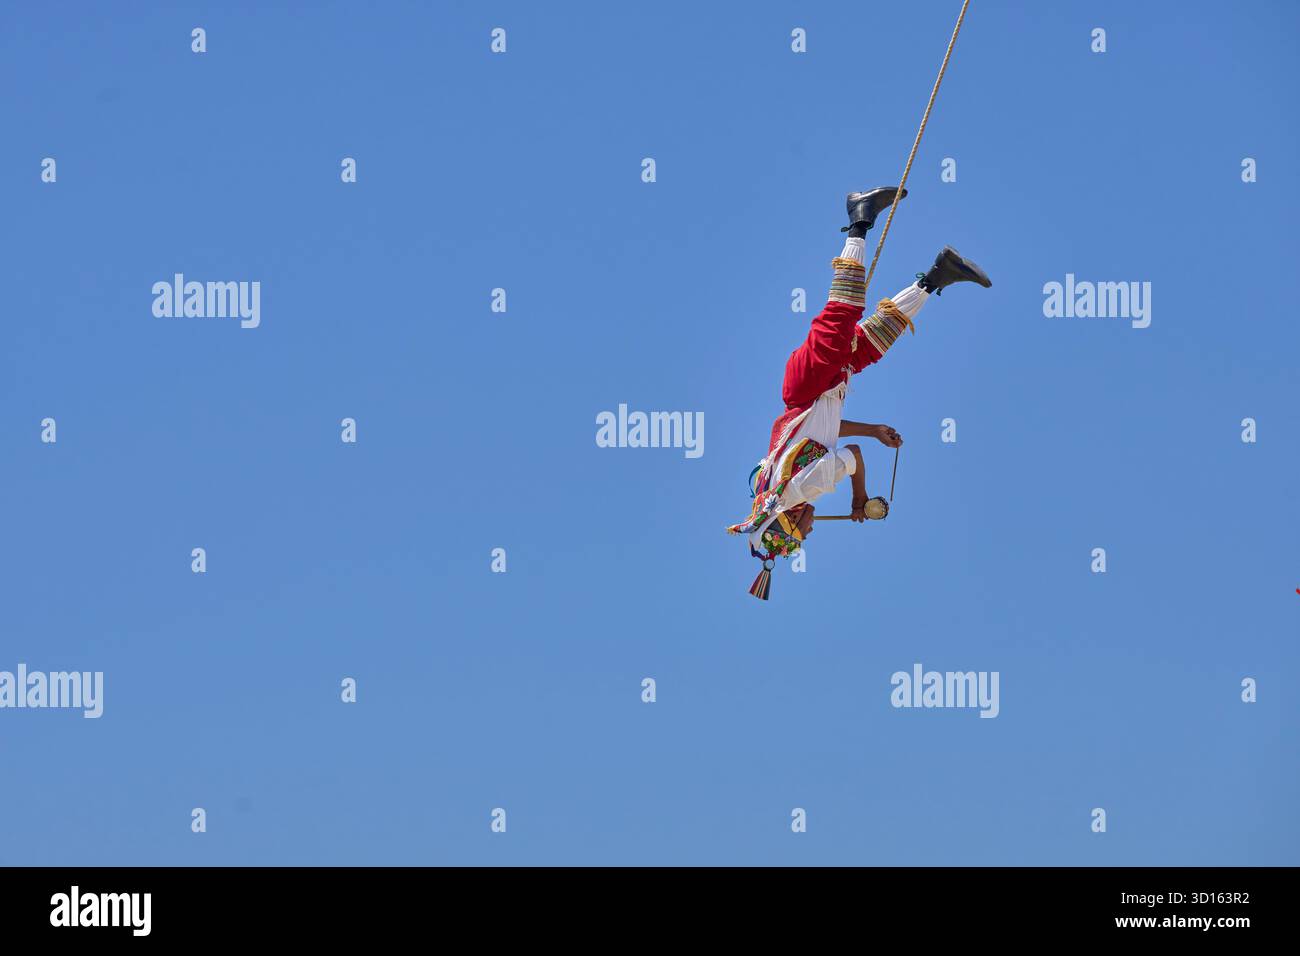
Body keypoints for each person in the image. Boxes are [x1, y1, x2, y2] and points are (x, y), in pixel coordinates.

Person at [726, 187, 992, 599]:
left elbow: (852, 458)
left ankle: (859, 220)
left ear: (788, 522)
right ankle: (938, 275)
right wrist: (872, 428)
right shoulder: (777, 485)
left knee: (842, 315)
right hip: (818, 390)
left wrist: (859, 496)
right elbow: (829, 431)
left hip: (811, 386)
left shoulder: (799, 491)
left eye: (800, 535)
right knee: (870, 344)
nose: (810, 533)